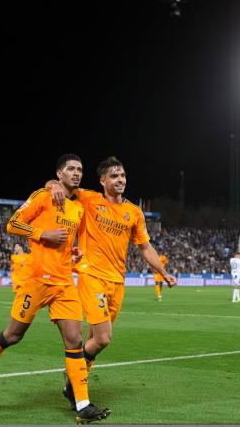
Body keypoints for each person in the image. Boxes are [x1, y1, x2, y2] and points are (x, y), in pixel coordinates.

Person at [0, 154, 110, 424]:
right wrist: (43, 234)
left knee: (75, 341)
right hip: (36, 280)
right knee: (12, 335)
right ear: (59, 174)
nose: (77, 173)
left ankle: (82, 404)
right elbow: (13, 224)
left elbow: (66, 243)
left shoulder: (78, 206)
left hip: (64, 282)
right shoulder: (44, 196)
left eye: (80, 169)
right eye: (71, 169)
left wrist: (72, 252)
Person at [46, 156, 176, 411]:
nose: (120, 180)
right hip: (91, 275)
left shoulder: (134, 212)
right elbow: (58, 183)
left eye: (123, 176)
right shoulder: (89, 198)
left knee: (94, 338)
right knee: (104, 338)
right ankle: (74, 380)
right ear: (103, 180)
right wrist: (54, 185)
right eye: (114, 176)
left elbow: (145, 247)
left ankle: (74, 384)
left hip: (117, 281)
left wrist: (163, 272)